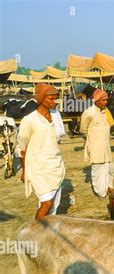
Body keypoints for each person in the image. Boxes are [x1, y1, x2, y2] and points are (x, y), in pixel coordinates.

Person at [17, 83, 65, 220]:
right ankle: (34, 233)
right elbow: (21, 148)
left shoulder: (55, 117)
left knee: (54, 206)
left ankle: (46, 236)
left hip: (55, 166)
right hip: (38, 168)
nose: (53, 102)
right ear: (41, 99)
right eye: (50, 99)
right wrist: (24, 170)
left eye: (55, 98)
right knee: (46, 204)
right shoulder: (29, 120)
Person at [80, 89, 114, 197]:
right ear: (96, 100)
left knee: (109, 167)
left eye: (106, 100)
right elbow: (83, 130)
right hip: (95, 145)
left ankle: (109, 188)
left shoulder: (106, 112)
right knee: (98, 168)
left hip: (106, 145)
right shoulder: (88, 113)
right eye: (103, 100)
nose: (105, 102)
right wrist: (89, 140)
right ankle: (100, 192)